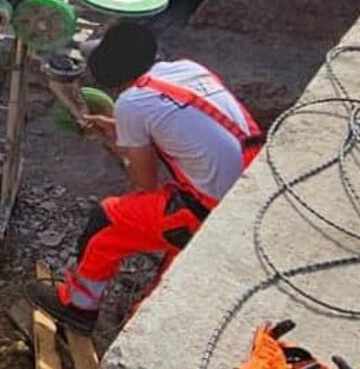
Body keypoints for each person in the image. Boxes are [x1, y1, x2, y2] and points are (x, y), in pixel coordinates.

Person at [28, 20, 263, 334]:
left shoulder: (132, 103)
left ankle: (78, 306)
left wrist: (118, 139)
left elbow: (143, 185)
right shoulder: (188, 69)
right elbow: (181, 127)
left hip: (214, 210)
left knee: (109, 221)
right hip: (256, 185)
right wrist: (125, 131)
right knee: (169, 275)